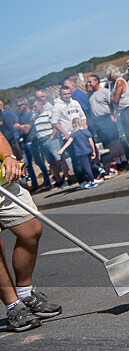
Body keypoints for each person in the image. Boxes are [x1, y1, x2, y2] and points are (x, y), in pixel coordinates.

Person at [0, 132, 62, 331]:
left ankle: (25, 293)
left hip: (3, 185)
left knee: (31, 230)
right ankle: (13, 307)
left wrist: (8, 157)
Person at [86, 74, 127, 170]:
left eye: (90, 82)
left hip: (107, 118)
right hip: (97, 121)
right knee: (108, 143)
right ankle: (117, 161)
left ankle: (124, 160)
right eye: (88, 82)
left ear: (96, 81)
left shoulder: (105, 92)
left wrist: (113, 115)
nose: (88, 84)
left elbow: (112, 104)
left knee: (115, 141)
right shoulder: (90, 94)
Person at [13, 99, 50, 191]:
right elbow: (17, 130)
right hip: (23, 141)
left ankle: (47, 179)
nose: (18, 108)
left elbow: (26, 130)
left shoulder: (31, 115)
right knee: (27, 163)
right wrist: (21, 127)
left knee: (38, 161)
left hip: (32, 141)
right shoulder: (20, 116)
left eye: (19, 105)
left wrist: (20, 127)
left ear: (25, 105)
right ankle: (34, 183)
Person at [30, 99, 69, 187]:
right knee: (51, 162)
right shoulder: (35, 117)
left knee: (59, 159)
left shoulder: (48, 113)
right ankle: (58, 180)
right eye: (33, 107)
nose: (34, 109)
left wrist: (52, 136)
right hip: (42, 141)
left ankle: (66, 177)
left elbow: (55, 125)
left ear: (41, 105)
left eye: (35, 106)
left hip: (51, 139)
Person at [57, 118, 98, 189]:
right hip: (88, 151)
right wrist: (93, 151)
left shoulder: (74, 134)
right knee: (90, 165)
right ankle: (99, 171)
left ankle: (92, 182)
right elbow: (91, 142)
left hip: (81, 153)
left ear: (74, 124)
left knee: (86, 168)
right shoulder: (86, 131)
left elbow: (69, 142)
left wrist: (62, 149)